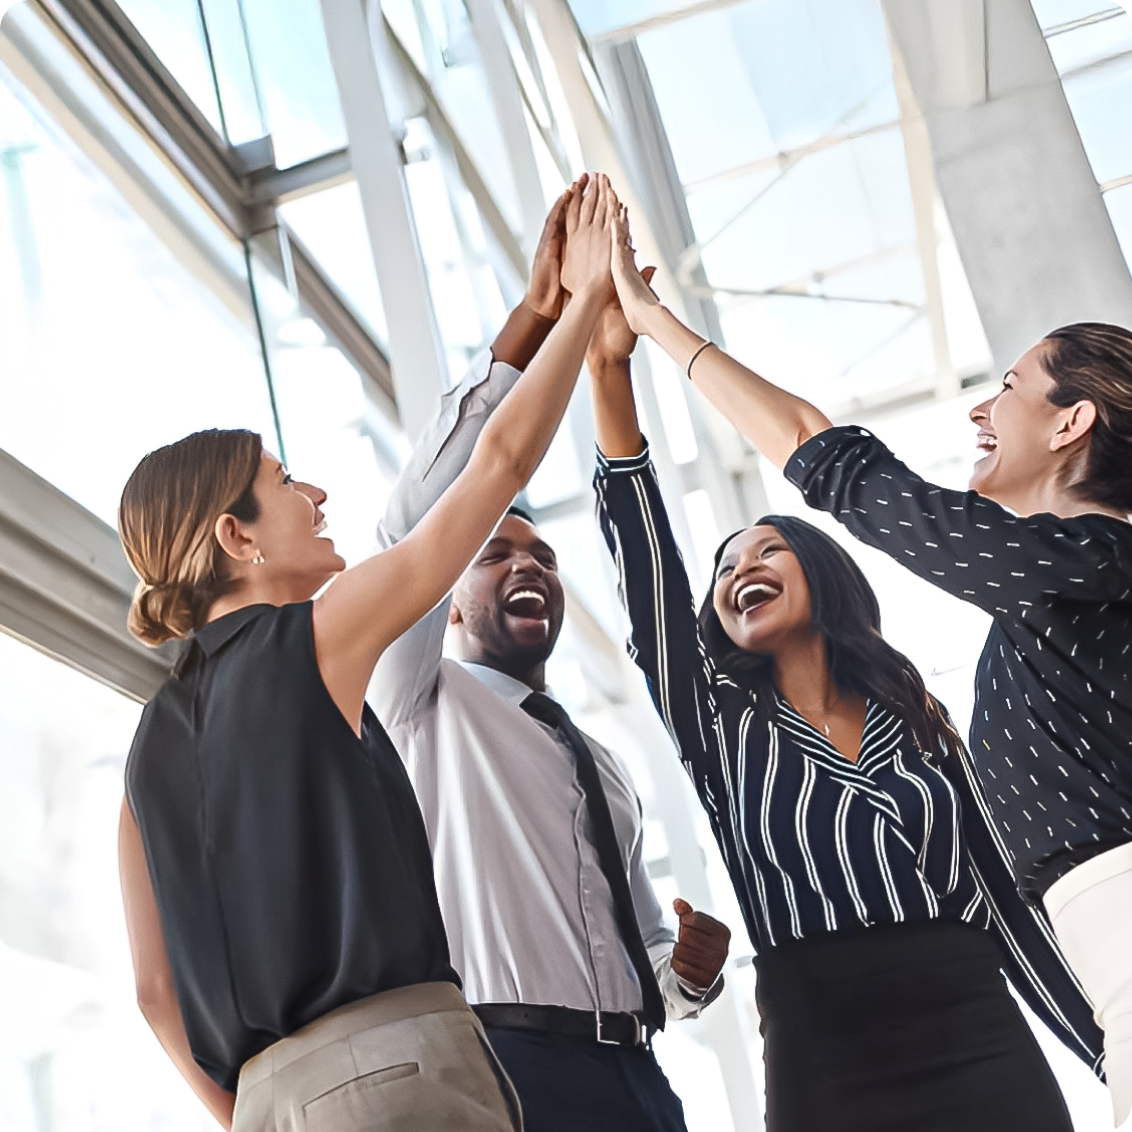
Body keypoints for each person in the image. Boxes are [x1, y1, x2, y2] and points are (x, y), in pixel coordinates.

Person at [114, 174, 620, 1132]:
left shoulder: (145, 749)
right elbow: (497, 471)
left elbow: (152, 988)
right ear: (237, 537)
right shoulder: (315, 638)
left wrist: (258, 1108)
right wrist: (588, 301)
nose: (316, 495)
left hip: (270, 1102)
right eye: (285, 482)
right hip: (400, 1064)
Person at [607, 205, 1132, 1126]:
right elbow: (649, 572)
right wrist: (611, 363)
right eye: (726, 565)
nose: (741, 571)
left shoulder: (1075, 571)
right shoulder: (724, 728)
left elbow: (1005, 903)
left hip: (988, 1023)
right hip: (826, 1048)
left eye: (1007, 386)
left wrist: (1101, 1052)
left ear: (1072, 423)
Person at [369, 200, 731, 1132]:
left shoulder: (596, 761)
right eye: (494, 553)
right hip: (504, 1068)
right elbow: (417, 522)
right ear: (448, 596)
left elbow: (642, 945)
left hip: (638, 1079)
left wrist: (685, 972)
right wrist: (534, 323)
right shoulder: (415, 702)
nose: (528, 563)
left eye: (545, 558)